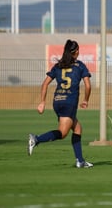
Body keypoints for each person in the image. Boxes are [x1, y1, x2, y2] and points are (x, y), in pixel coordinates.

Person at [28, 39, 94, 168]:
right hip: (69, 103)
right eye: (78, 50)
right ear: (75, 52)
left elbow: (45, 83)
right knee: (62, 133)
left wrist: (42, 102)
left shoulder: (58, 66)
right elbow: (88, 85)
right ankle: (36, 139)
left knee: (77, 128)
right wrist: (86, 100)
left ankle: (80, 161)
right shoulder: (80, 66)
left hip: (57, 101)